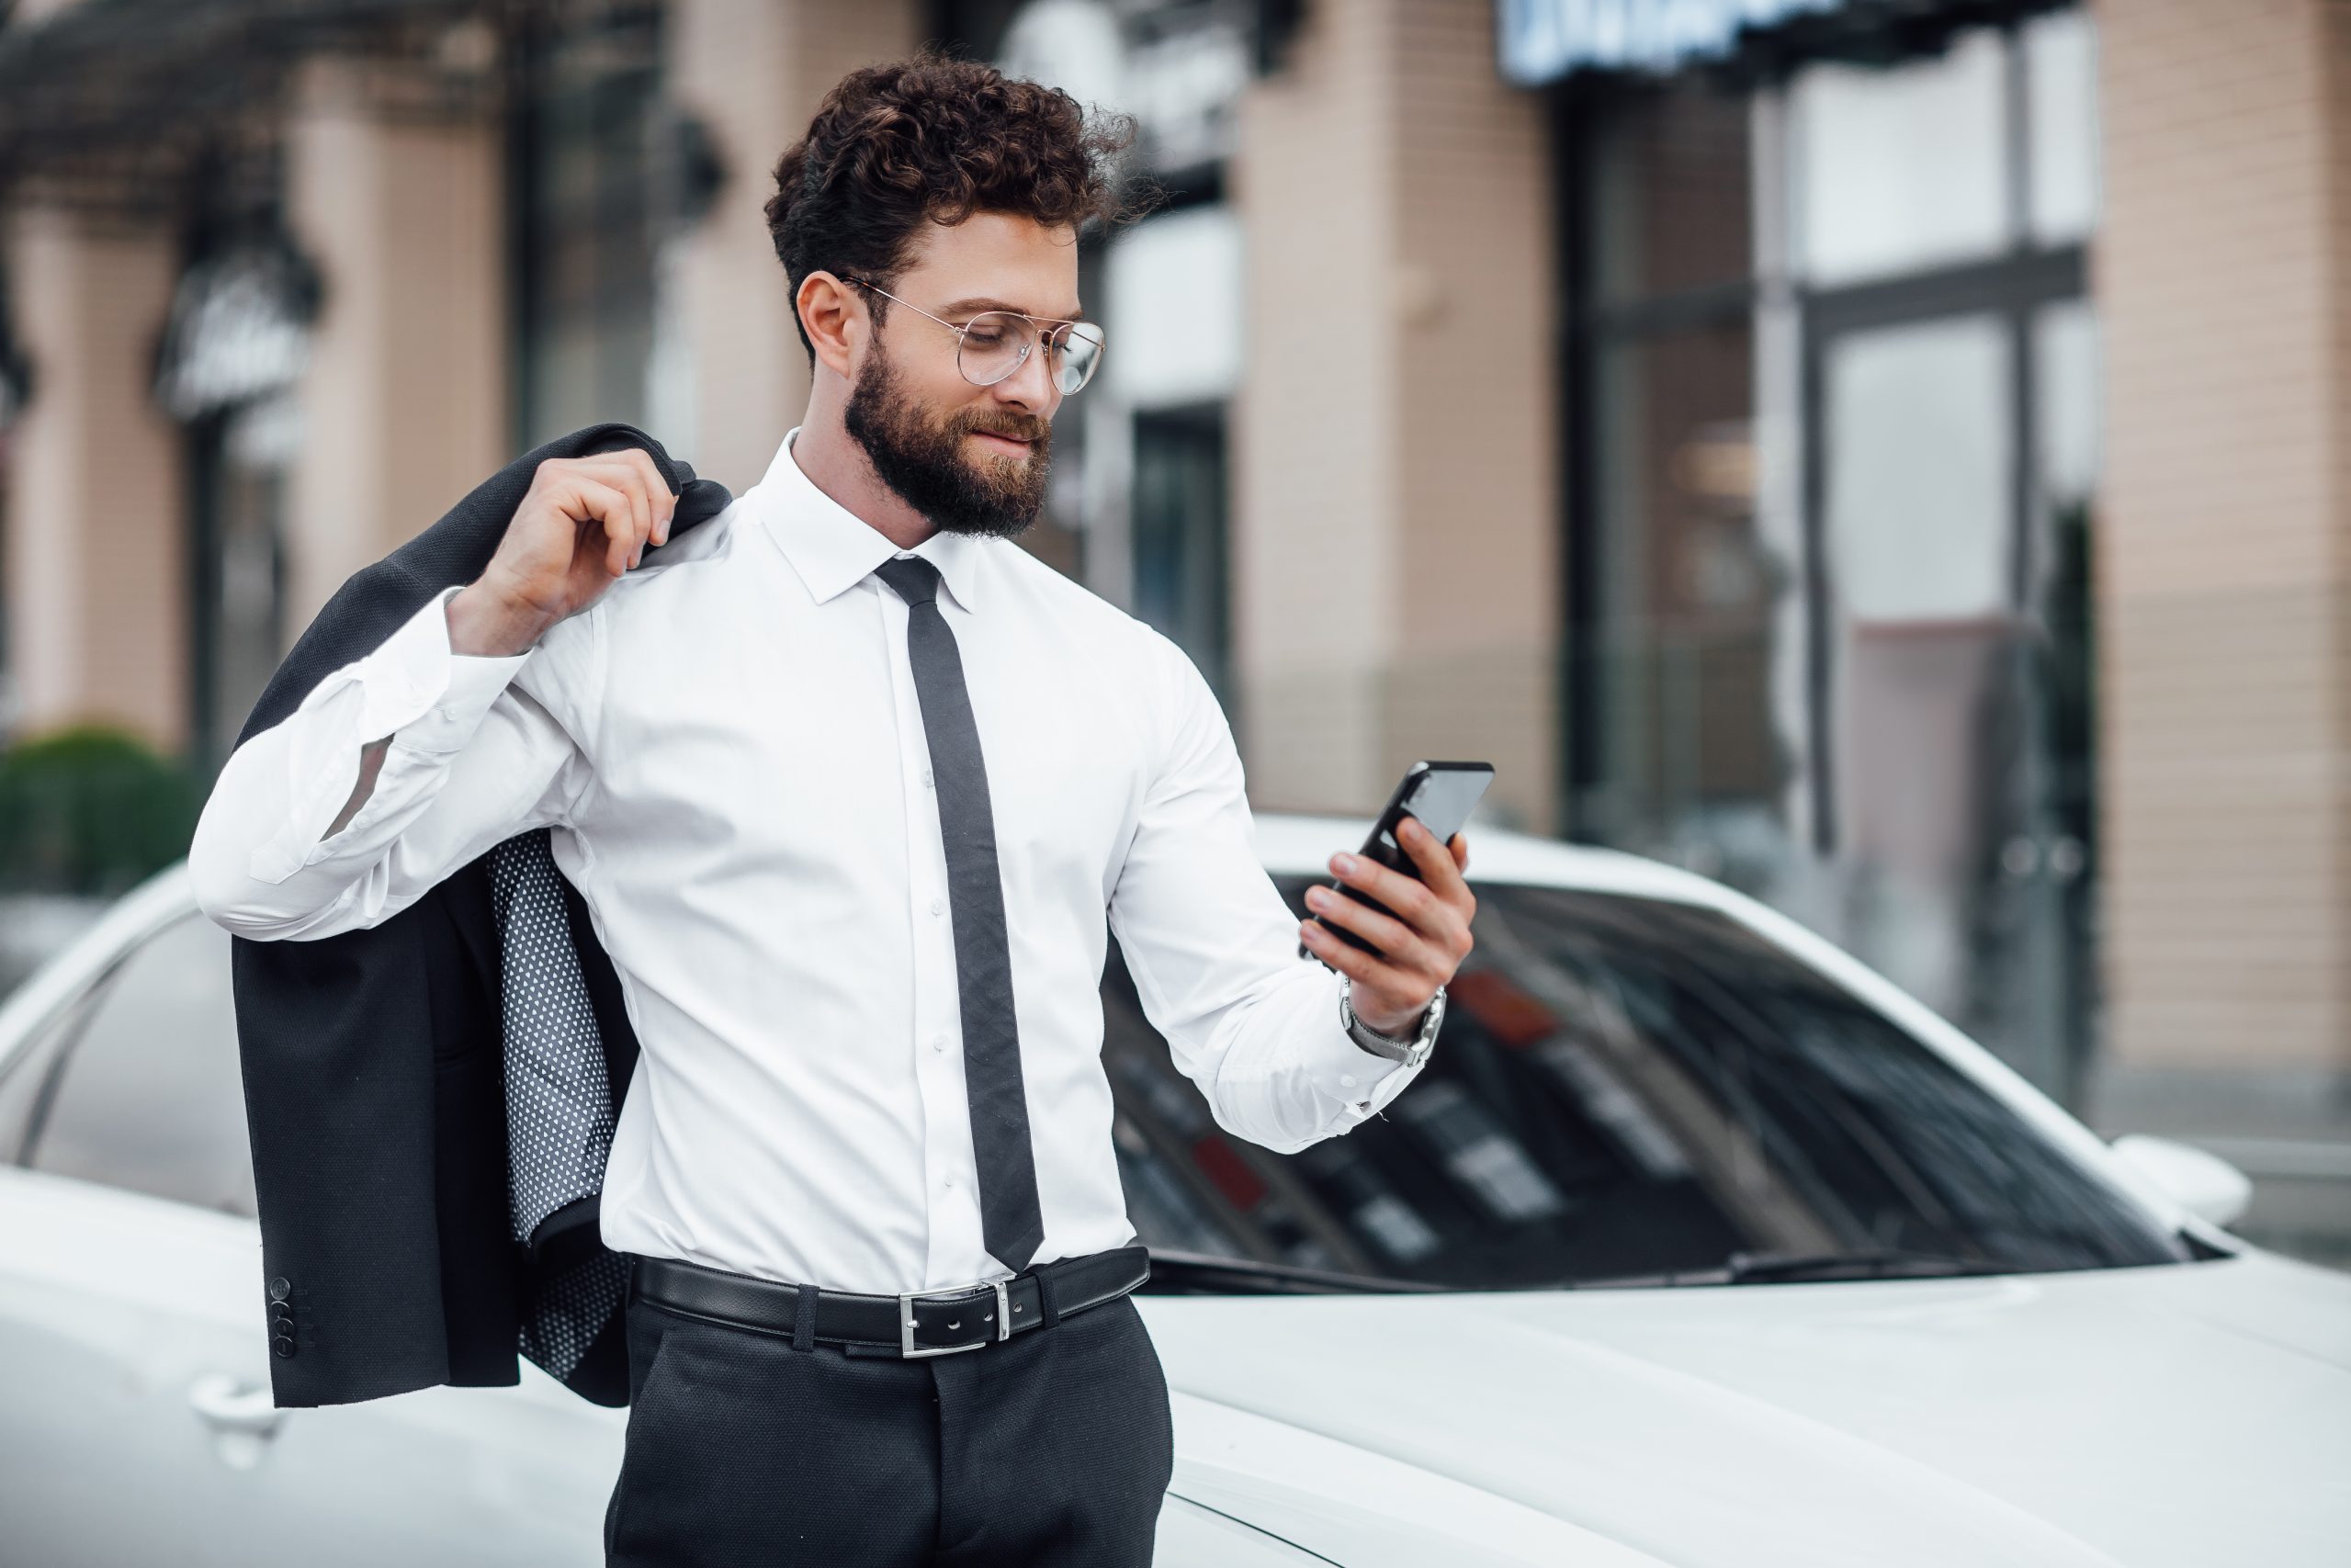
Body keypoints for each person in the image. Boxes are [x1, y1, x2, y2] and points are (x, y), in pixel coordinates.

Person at [191, 51, 1475, 1568]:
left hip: (1077, 1392)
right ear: (833, 315)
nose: (1029, 384)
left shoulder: (1128, 680)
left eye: (1060, 339)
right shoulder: (621, 637)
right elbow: (264, 880)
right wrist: (486, 625)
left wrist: (1379, 1011)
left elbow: (1257, 1077)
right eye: (985, 333)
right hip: (760, 1417)